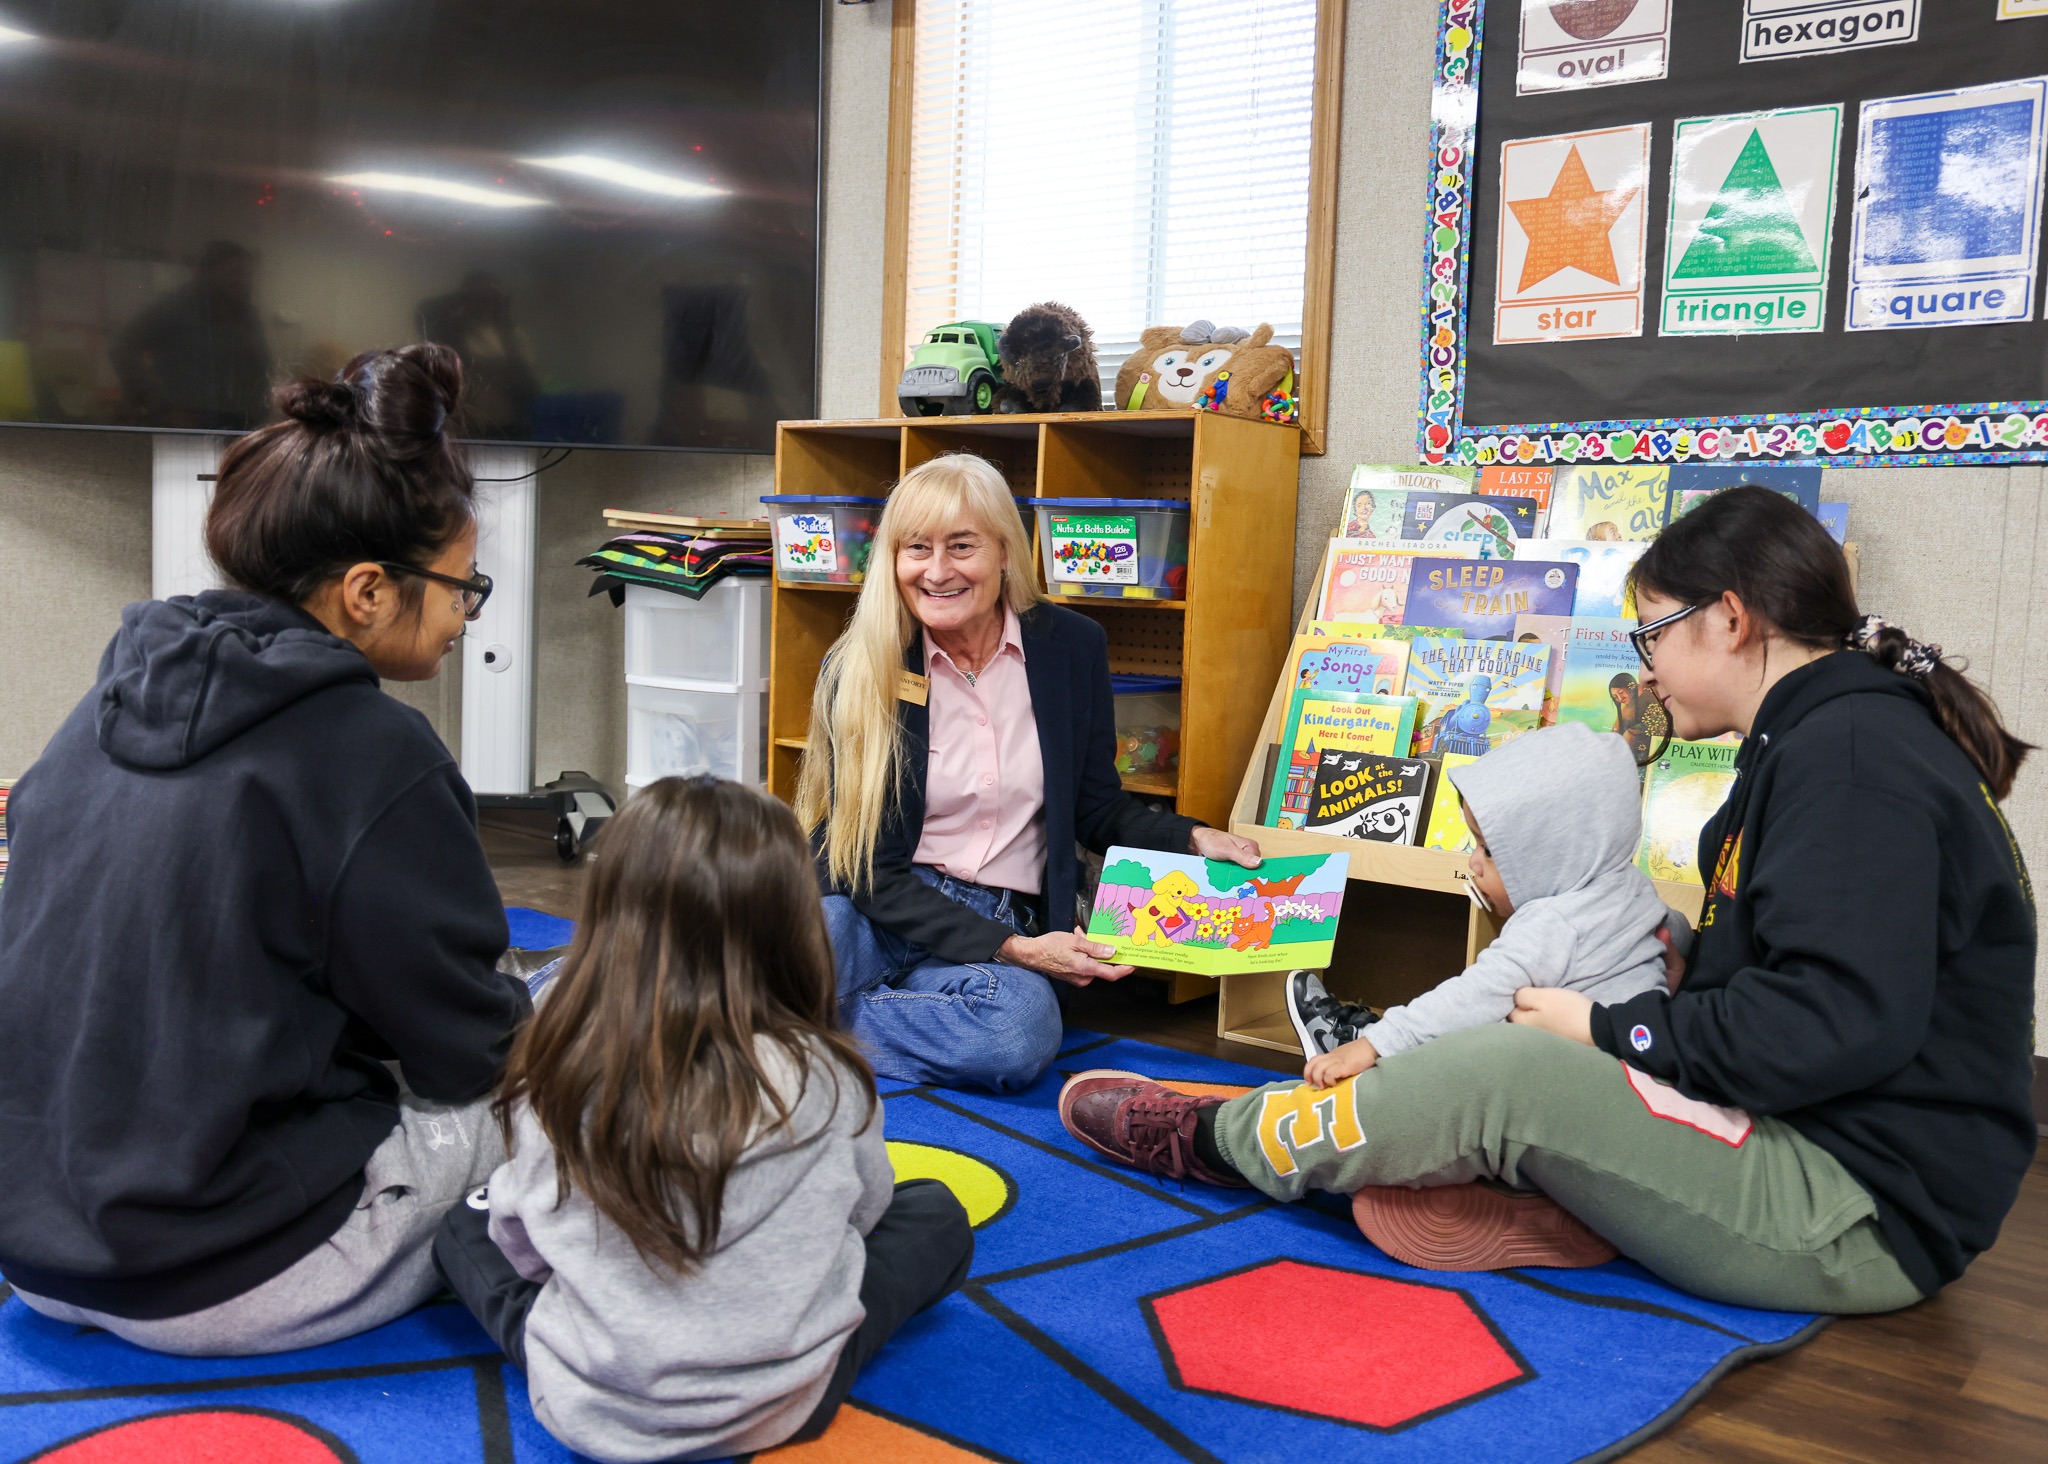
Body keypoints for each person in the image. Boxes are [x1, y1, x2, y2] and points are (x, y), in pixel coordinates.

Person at [1059, 487, 2036, 1313]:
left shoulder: (1850, 761)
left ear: (1729, 619)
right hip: (1807, 1141)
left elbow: (1832, 1024)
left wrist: (1613, 1031)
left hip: (1854, 1206)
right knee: (1515, 1058)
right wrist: (1682, 984)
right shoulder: (1818, 740)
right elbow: (1817, 977)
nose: (1643, 665)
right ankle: (1550, 1199)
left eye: (1650, 632)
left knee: (1504, 1069)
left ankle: (1221, 1141)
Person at [0, 345, 529, 1354]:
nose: (467, 614)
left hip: (31, 1251)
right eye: (465, 586)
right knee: (570, 1071)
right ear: (368, 591)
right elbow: (472, 1054)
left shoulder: (105, 697)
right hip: (214, 1272)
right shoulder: (375, 751)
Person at [432, 776, 973, 1462]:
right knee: (934, 1214)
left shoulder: (564, 1057)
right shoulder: (827, 1073)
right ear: (792, 927)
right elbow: (865, 1212)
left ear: (609, 917)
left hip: (592, 1400)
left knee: (464, 1224)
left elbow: (525, 1241)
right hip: (785, 1399)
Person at [794, 453, 1261, 1092]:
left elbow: (1097, 806)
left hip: (999, 921)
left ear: (1006, 551)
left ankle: (785, 1032)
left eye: (962, 546)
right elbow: (866, 869)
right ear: (892, 560)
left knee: (1018, 1030)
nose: (937, 572)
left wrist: (1194, 838)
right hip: (876, 902)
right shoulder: (864, 663)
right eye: (916, 549)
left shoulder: (1071, 647)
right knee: (779, 955)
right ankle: (788, 1016)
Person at [1287, 723, 1671, 1103]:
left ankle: (1357, 1046)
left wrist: (1377, 1044)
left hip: (1568, 1094)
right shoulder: (1630, 886)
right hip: (1641, 1081)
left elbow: (1473, 996)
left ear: (1554, 857)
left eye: (1489, 850)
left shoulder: (1554, 923)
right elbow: (1673, 936)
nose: (1474, 862)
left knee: (1440, 1072)